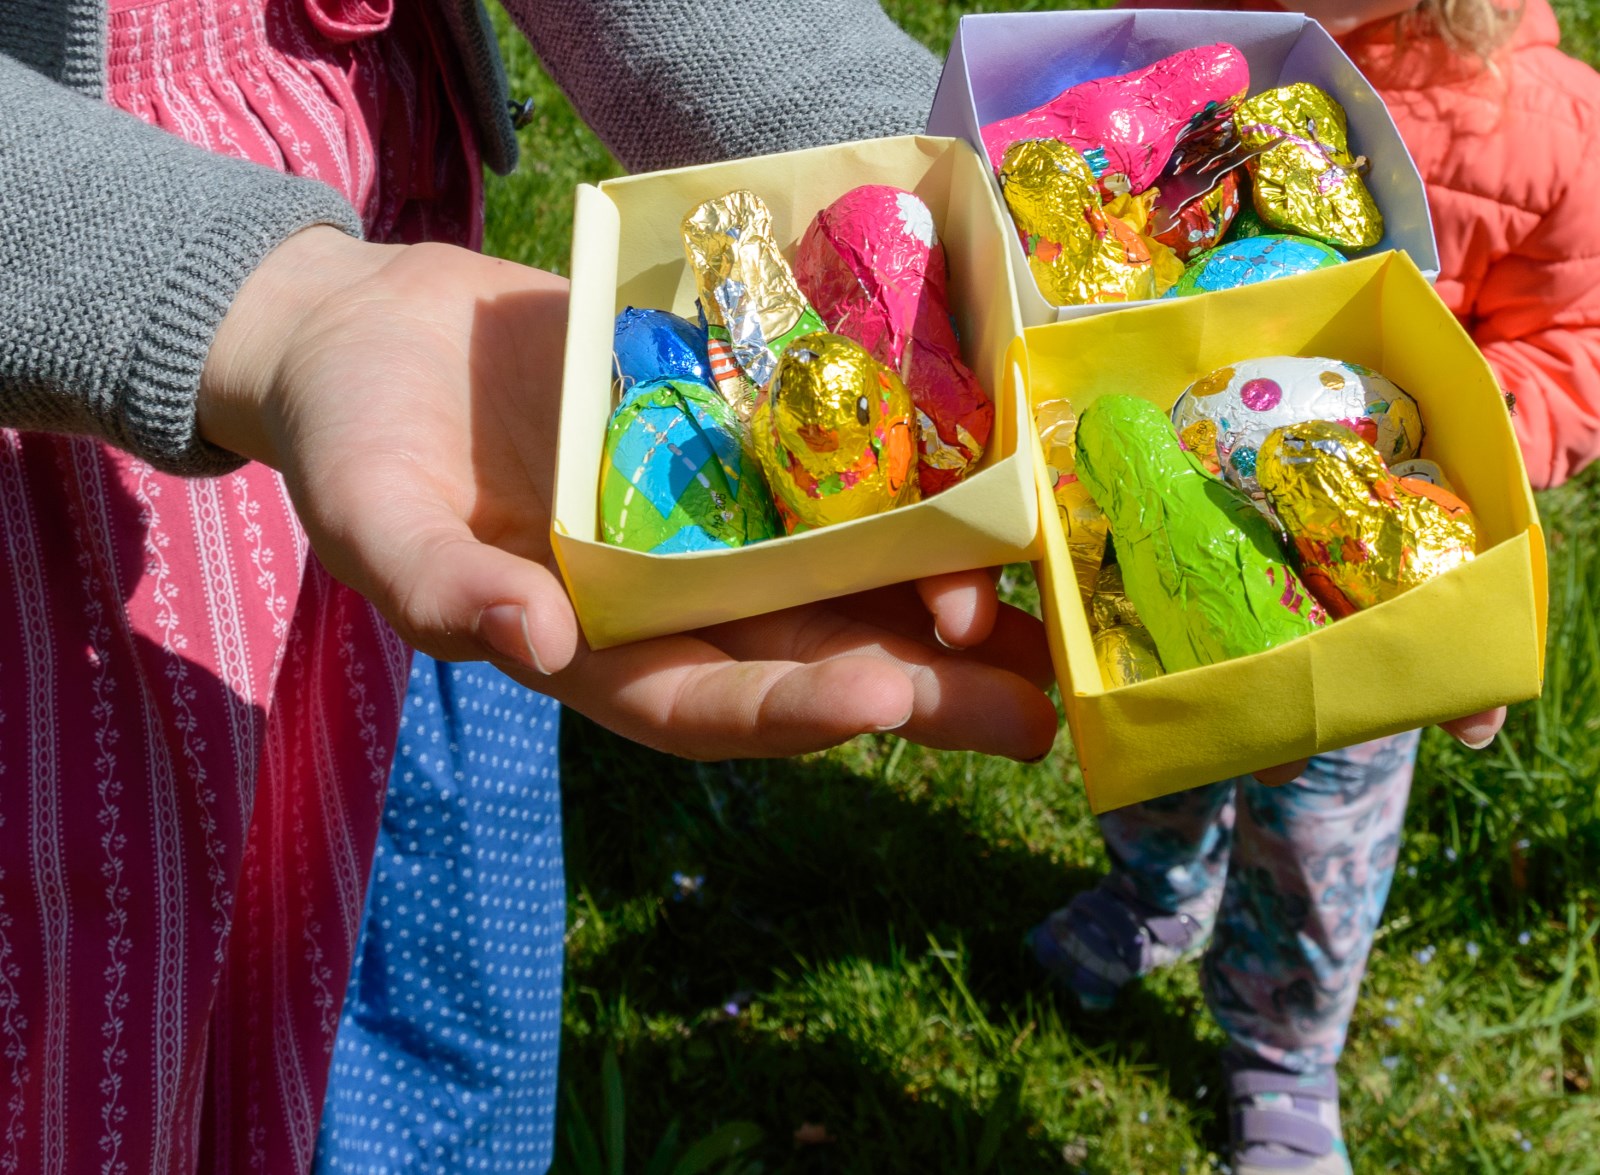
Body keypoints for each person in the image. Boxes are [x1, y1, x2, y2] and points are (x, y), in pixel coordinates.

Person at [0, 3, 1062, 1172]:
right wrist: (262, 304)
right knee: (128, 1020)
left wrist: (945, 210)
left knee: (414, 998)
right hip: (78, 368)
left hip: (412, 343)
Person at [1029, 0, 1600, 1172]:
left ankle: (1282, 1042)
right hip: (1165, 495)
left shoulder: (1548, 125)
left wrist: (1440, 411)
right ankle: (1157, 895)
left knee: (1319, 836)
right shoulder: (1184, 54)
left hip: (1370, 574)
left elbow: (1574, 342)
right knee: (1161, 745)